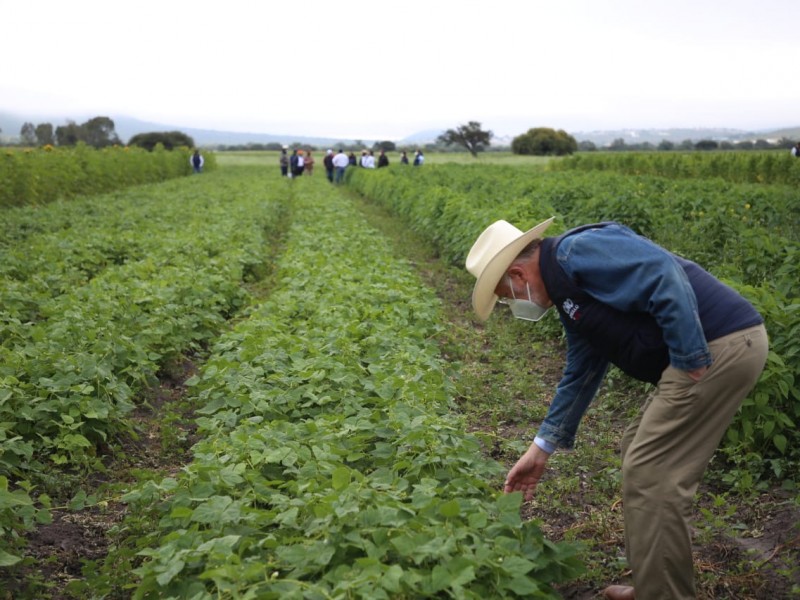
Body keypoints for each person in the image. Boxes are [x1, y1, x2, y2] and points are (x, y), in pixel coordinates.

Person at [465, 219, 768, 600]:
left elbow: (661, 271)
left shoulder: (576, 254)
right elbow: (581, 371)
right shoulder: (567, 292)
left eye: (506, 295)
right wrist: (540, 448)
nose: (512, 304)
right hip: (711, 348)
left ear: (517, 273)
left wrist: (690, 354)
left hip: (716, 347)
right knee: (636, 449)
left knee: (651, 471)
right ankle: (652, 586)